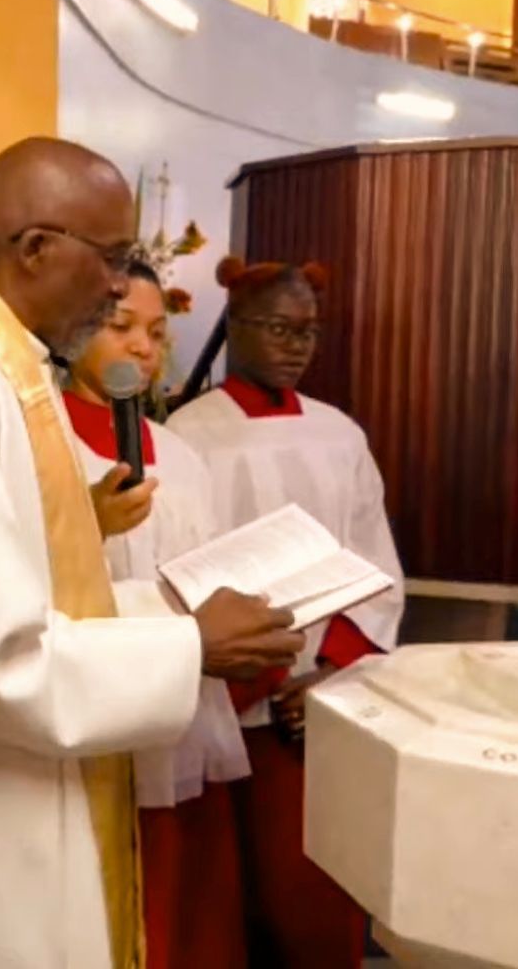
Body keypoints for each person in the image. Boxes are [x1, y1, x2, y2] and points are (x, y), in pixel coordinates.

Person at [0, 137, 305, 969]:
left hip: (5, 793)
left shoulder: (7, 371)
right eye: (113, 259)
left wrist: (172, 612)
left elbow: (25, 599)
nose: (121, 283)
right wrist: (190, 645)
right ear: (36, 249)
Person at [166, 256, 404, 969]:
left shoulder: (340, 434)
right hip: (230, 696)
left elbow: (375, 564)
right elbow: (181, 572)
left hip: (318, 707)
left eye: (310, 331)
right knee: (226, 903)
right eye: (279, 328)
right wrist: (264, 672)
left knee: (315, 903)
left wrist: (331, 672)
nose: (298, 345)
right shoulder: (188, 436)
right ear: (235, 328)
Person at [62, 260, 252, 969]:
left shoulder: (178, 452)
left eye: (157, 332)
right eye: (121, 328)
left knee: (186, 901)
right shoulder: (46, 440)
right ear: (74, 328)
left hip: (183, 704)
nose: (143, 347)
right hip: (99, 705)